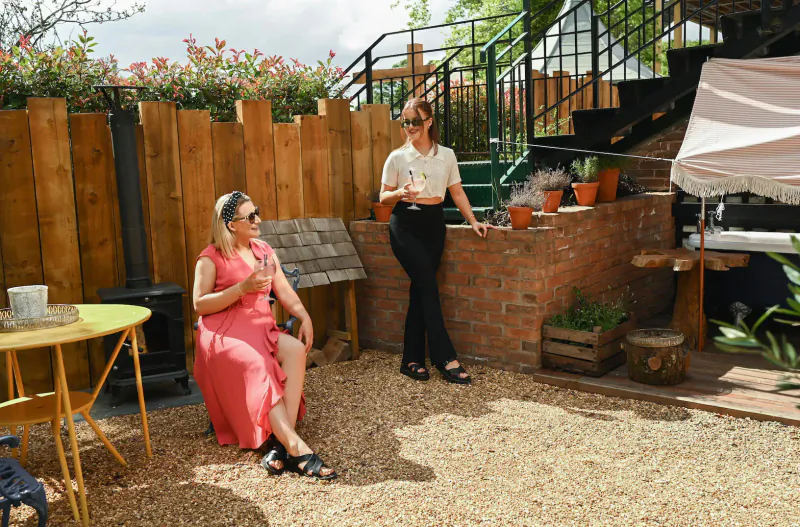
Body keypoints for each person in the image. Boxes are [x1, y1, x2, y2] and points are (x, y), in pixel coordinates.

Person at [192, 191, 336, 481]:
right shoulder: (210, 258)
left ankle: (280, 441)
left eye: (256, 212)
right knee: (258, 365)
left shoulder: (264, 251)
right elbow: (199, 304)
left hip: (259, 325)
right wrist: (241, 288)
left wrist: (305, 315)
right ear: (231, 224)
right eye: (250, 216)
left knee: (295, 350)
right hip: (224, 332)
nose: (257, 219)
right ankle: (295, 447)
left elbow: (283, 290)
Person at [380, 98, 496, 384]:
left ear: (429, 121)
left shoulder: (446, 155)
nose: (409, 127)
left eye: (415, 122)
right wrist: (398, 194)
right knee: (429, 288)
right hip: (405, 224)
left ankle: (411, 360)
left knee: (421, 290)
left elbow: (456, 192)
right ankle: (445, 357)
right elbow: (382, 196)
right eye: (405, 122)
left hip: (434, 224)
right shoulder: (397, 157)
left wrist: (473, 220)